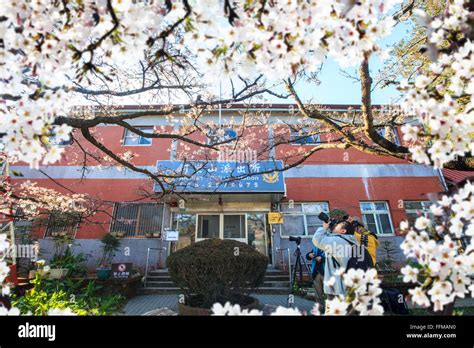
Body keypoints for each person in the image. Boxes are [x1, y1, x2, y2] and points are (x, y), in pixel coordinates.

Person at [312, 220, 358, 298]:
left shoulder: (338, 241)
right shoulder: (352, 241)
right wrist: (329, 229)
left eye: (337, 226)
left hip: (338, 288)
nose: (334, 226)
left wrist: (323, 228)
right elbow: (329, 237)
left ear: (343, 231)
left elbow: (317, 240)